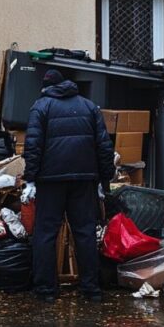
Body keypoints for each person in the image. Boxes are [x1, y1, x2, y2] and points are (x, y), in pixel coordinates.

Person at [22, 69, 115, 303]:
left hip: (50, 181)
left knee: (45, 234)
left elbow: (32, 146)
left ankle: (45, 291)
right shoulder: (89, 106)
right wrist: (104, 180)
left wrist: (30, 179)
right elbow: (104, 146)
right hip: (84, 179)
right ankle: (91, 290)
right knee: (84, 233)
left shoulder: (41, 107)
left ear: (47, 87)